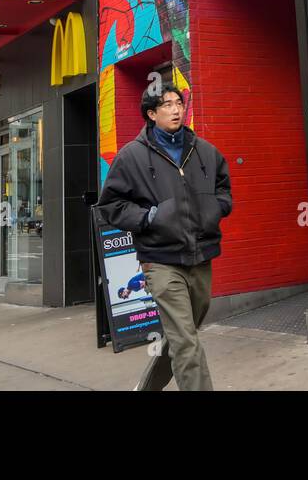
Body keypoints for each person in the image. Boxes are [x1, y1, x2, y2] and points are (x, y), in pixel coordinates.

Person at [97, 84, 233, 391]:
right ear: (151, 113)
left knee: (183, 334)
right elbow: (110, 205)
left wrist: (215, 207)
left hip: (200, 257)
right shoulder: (131, 157)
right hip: (160, 261)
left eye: (178, 104)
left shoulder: (204, 151)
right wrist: (149, 218)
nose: (176, 109)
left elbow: (224, 188)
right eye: (167, 105)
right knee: (186, 341)